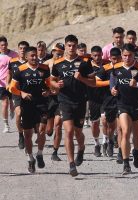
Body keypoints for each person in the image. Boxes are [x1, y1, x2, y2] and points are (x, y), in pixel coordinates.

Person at [51, 34, 95, 176]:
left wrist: (81, 78)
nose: (71, 48)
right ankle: (71, 164)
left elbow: (93, 83)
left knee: (78, 132)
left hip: (80, 101)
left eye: (74, 45)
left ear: (77, 46)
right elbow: (52, 80)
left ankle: (81, 148)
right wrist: (56, 84)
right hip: (64, 101)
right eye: (69, 45)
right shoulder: (58, 63)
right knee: (69, 131)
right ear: (65, 46)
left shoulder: (84, 62)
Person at [110, 44, 138, 175]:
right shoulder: (116, 67)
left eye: (129, 55)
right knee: (125, 132)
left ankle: (136, 152)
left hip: (137, 105)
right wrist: (112, 90)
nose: (127, 58)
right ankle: (126, 163)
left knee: (136, 134)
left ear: (134, 56)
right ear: (121, 56)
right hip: (122, 105)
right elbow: (113, 82)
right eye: (124, 55)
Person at [9, 46, 51, 173]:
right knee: (28, 135)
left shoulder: (44, 68)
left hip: (41, 104)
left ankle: (39, 154)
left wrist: (48, 91)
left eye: (35, 55)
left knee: (42, 130)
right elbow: (12, 88)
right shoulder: (20, 70)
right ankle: (30, 158)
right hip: (27, 105)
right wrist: (21, 93)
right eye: (31, 56)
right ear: (26, 57)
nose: (34, 58)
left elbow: (49, 84)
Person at [6, 41, 29, 149]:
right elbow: (9, 73)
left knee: (29, 117)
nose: (22, 50)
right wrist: (7, 83)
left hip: (29, 92)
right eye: (20, 48)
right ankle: (20, 135)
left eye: (25, 48)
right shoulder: (13, 61)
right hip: (16, 91)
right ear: (18, 49)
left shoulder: (31, 62)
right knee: (18, 113)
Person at [87, 45, 109, 157]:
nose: (97, 57)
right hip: (93, 98)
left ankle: (105, 141)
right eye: (95, 55)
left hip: (106, 97)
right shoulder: (87, 66)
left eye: (99, 55)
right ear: (91, 56)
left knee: (105, 120)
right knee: (95, 123)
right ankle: (96, 144)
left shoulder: (107, 64)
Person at [44, 43, 65, 161]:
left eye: (61, 52)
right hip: (48, 98)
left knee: (58, 124)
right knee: (48, 129)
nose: (59, 54)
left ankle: (55, 152)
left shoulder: (64, 64)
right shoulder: (46, 64)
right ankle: (48, 129)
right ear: (52, 52)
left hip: (61, 97)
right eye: (57, 52)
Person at [0, 36, 18, 133]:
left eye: (5, 44)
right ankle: (6, 125)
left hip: (13, 82)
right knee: (4, 103)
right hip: (1, 83)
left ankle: (12, 110)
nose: (4, 46)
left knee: (12, 103)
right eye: (2, 45)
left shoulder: (14, 54)